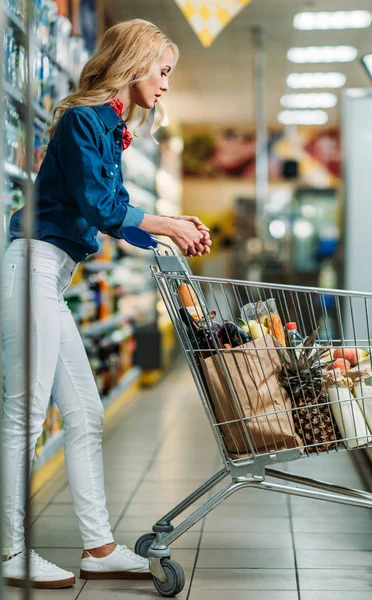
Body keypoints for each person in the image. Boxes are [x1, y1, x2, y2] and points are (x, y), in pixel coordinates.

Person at [2, 19, 211, 589]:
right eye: (162, 71)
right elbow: (100, 205)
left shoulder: (106, 124)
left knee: (86, 414)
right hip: (31, 271)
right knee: (23, 417)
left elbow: (113, 208)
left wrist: (165, 232)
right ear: (135, 63)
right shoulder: (80, 120)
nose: (165, 84)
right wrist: (164, 221)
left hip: (51, 279)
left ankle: (98, 547)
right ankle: (10, 553)